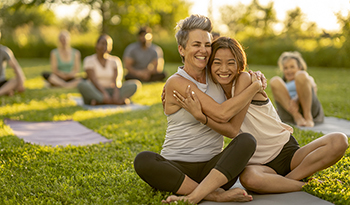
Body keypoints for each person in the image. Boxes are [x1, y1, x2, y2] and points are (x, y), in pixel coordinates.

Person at [173, 37, 348, 194]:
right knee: (249, 180)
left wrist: (202, 118)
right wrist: (169, 93)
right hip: (258, 165)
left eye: (231, 63)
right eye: (217, 62)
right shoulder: (213, 93)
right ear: (209, 65)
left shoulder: (244, 79)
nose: (224, 69)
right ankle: (303, 185)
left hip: (287, 154)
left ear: (240, 64)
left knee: (339, 140)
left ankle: (286, 182)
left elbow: (232, 127)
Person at [134, 15, 267, 204]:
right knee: (143, 160)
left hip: (215, 171)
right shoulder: (176, 82)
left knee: (247, 141)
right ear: (182, 49)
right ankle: (214, 194)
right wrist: (255, 88)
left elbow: (234, 67)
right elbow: (222, 113)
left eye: (207, 44)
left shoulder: (216, 74)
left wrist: (255, 77)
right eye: (196, 44)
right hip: (177, 168)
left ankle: (198, 193)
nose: (203, 50)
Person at [77, 34, 141, 105]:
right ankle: (109, 100)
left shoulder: (115, 60)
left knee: (135, 84)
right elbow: (93, 80)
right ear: (97, 45)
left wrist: (116, 93)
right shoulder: (89, 60)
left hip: (112, 90)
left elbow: (116, 80)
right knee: (81, 85)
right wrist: (104, 93)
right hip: (96, 90)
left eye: (107, 44)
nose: (105, 47)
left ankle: (100, 101)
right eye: (102, 44)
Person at [270, 51, 324, 127]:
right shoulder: (284, 84)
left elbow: (314, 90)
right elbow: (281, 98)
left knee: (301, 75)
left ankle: (307, 117)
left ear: (299, 67)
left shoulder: (305, 78)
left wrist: (296, 99)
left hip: (308, 107)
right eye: (285, 68)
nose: (289, 70)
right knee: (274, 80)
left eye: (292, 67)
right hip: (290, 111)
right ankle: (297, 116)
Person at [0, 31, 26, 96]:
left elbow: (16, 68)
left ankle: (2, 91)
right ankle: (6, 91)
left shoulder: (4, 51)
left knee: (18, 80)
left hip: (1, 81)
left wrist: (21, 84)